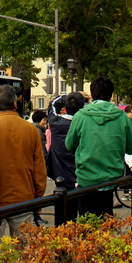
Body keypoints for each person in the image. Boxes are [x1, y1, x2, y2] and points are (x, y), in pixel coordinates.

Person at [0, 85, 46, 238]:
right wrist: (38, 198)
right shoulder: (31, 130)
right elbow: (40, 168)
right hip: (24, 198)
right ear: (15, 103)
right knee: (24, 252)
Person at [64, 76, 132, 218]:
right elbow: (131, 149)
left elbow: (69, 145)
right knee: (107, 224)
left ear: (91, 94)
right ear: (111, 95)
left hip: (86, 178)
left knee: (87, 224)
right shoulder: (122, 117)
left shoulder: (80, 116)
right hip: (112, 178)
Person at [45, 92, 85, 221]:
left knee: (63, 220)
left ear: (65, 107)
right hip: (81, 176)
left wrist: (66, 97)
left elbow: (52, 104)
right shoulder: (84, 124)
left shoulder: (56, 122)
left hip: (60, 176)